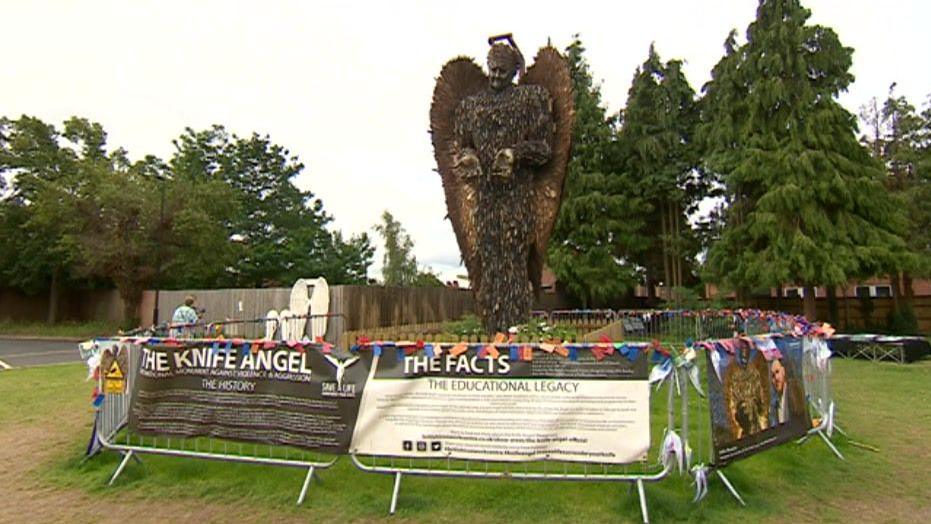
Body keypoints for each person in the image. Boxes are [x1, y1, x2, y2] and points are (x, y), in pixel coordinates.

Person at [451, 42, 554, 333]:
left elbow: (544, 149)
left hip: (517, 201)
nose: (495, 76)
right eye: (492, 69)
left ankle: (517, 332)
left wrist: (514, 154)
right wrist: (469, 158)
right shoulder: (470, 107)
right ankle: (491, 333)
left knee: (513, 264)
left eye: (502, 71)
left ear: (513, 72)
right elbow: (463, 147)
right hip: (486, 202)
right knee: (489, 264)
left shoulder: (530, 101)